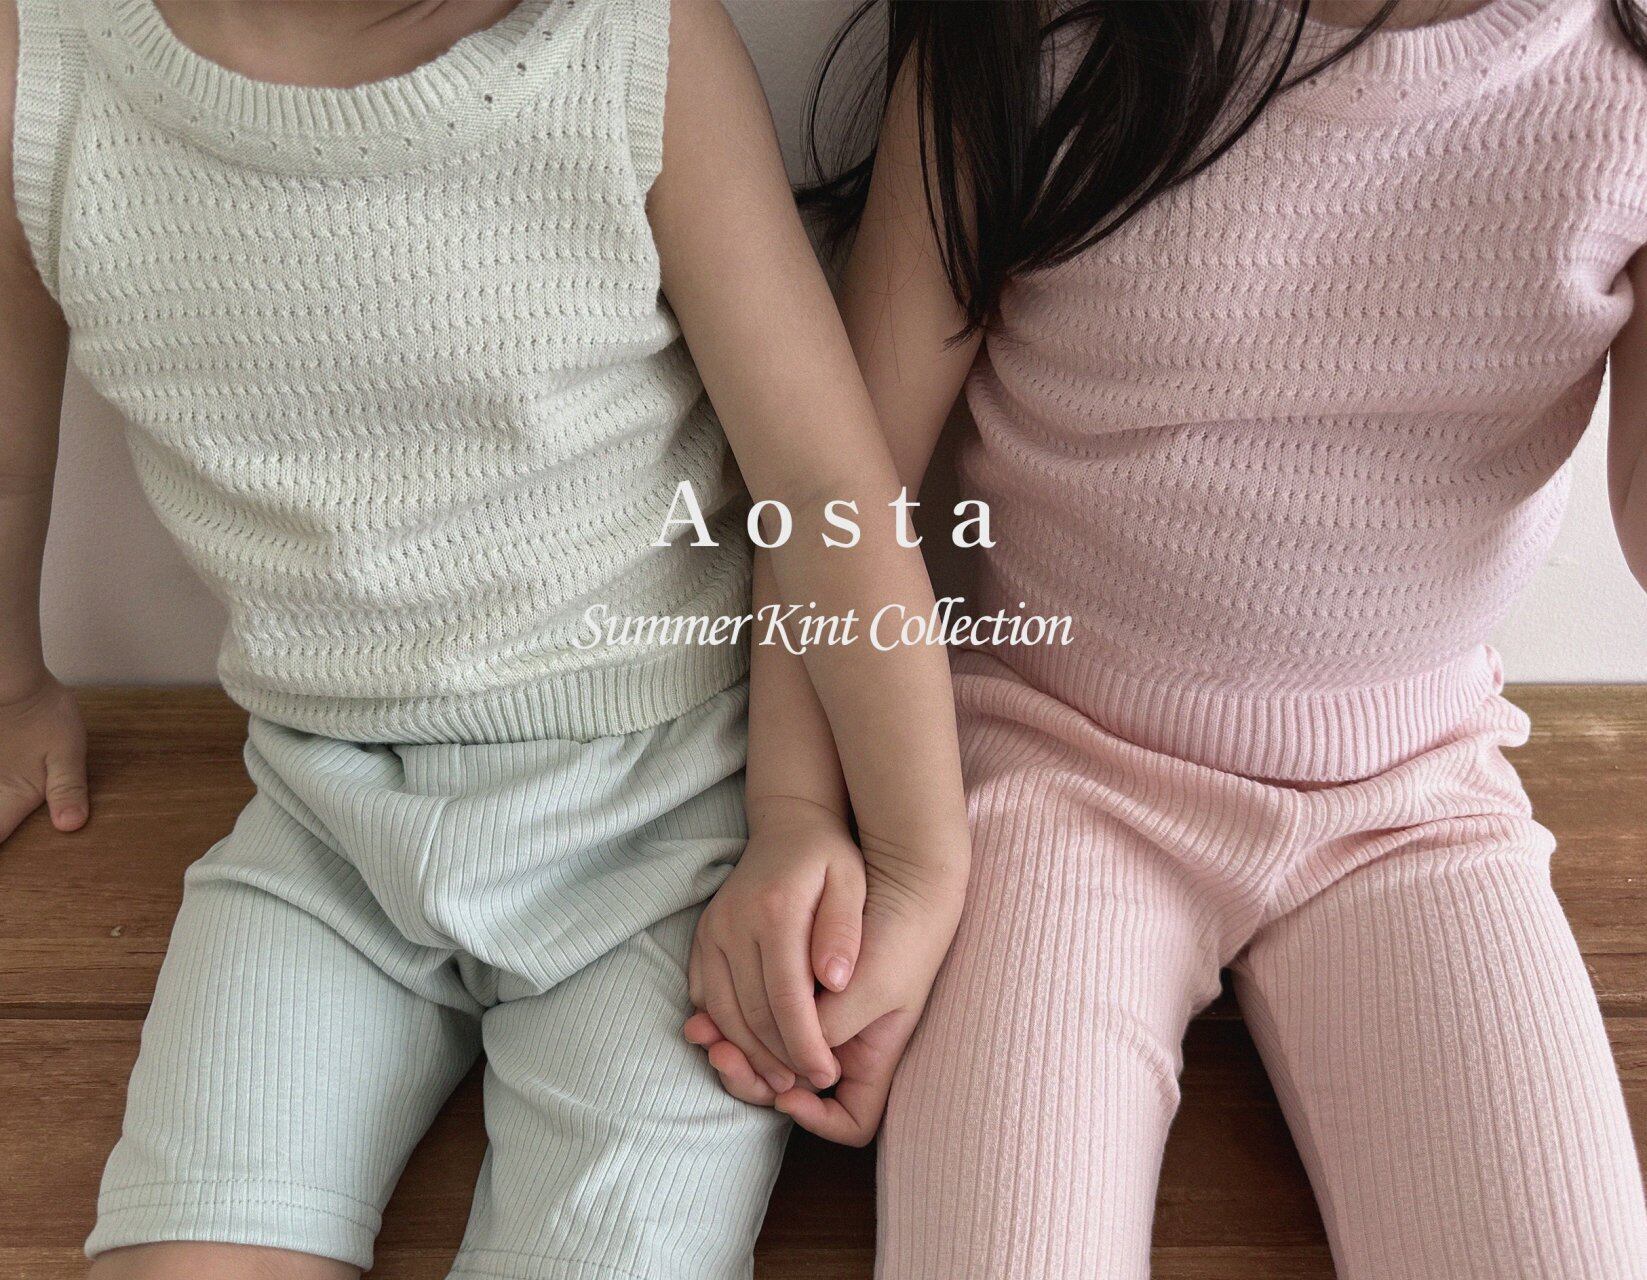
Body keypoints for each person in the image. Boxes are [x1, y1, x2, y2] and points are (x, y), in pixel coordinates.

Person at [0, 0, 972, 1275]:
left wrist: (904, 859)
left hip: (667, 831)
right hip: (320, 813)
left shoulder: (635, 43)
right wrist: (11, 683)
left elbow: (825, 486)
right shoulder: (47, 62)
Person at [685, 1, 1647, 1275]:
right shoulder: (1028, 37)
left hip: (1422, 790)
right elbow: (838, 487)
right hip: (1053, 769)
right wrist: (802, 808)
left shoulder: (1623, 73)